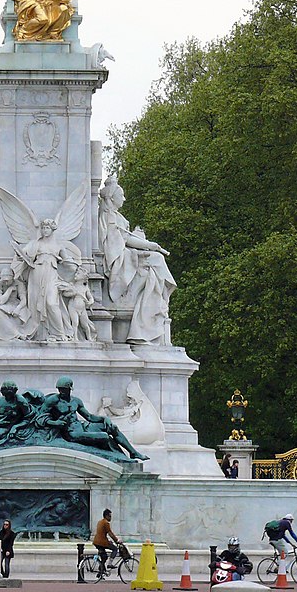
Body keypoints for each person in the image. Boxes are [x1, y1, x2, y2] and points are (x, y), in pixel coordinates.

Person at [98, 178, 176, 344]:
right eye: (121, 195)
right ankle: (159, 306)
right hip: (119, 257)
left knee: (156, 263)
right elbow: (121, 242)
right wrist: (149, 245)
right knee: (157, 260)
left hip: (124, 254)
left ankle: (159, 305)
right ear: (112, 198)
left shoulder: (114, 216)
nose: (124, 199)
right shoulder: (109, 216)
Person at [39, 376, 148, 461]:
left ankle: (133, 452)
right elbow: (40, 418)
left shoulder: (76, 401)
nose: (62, 391)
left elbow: (89, 417)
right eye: (60, 389)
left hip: (81, 426)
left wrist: (105, 419)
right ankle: (115, 456)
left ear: (70, 389)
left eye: (64, 389)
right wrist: (55, 423)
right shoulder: (53, 400)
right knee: (104, 436)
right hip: (71, 432)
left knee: (112, 428)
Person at [93, 508, 120, 575]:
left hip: (96, 542)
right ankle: (110, 564)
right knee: (115, 549)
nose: (110, 518)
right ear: (106, 516)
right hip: (101, 542)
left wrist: (108, 541)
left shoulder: (100, 522)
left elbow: (101, 534)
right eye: (110, 516)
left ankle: (100, 572)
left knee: (104, 557)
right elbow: (110, 533)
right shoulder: (106, 523)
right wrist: (117, 541)